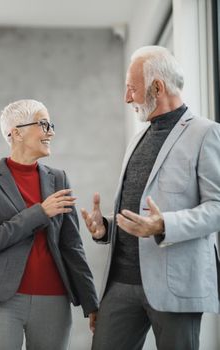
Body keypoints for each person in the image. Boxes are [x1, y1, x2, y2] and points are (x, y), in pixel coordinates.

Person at [81, 46, 220, 350]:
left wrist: (163, 225)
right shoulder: (137, 138)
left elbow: (217, 208)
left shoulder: (206, 133)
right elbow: (136, 209)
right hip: (120, 282)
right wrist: (105, 227)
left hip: (175, 286)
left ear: (157, 87)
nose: (127, 97)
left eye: (132, 88)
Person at [0, 99, 99, 350]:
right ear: (16, 133)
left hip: (53, 300)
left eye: (50, 125)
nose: (50, 131)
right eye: (43, 124)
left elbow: (71, 245)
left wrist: (91, 302)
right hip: (1, 300)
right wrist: (40, 212)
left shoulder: (58, 178)